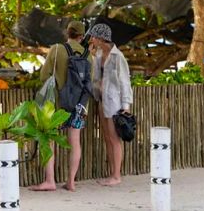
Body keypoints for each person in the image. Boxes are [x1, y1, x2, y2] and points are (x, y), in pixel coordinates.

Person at [30, 20, 90, 192]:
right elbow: (89, 82)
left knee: (49, 140)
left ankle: (50, 181)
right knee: (75, 142)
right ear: (82, 36)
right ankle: (71, 181)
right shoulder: (88, 54)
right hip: (78, 105)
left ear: (67, 32)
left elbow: (44, 75)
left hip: (56, 103)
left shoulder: (57, 49)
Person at [87, 22, 132, 187]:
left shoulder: (117, 57)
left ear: (101, 38)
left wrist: (126, 106)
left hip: (114, 102)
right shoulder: (99, 54)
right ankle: (112, 173)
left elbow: (125, 82)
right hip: (101, 99)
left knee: (114, 139)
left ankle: (116, 175)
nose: (91, 39)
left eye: (93, 36)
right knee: (107, 137)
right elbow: (97, 78)